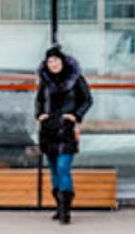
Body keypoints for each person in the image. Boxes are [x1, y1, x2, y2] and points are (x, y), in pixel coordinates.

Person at [34, 46, 94, 223]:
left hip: (66, 128)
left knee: (63, 167)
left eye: (56, 60)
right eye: (50, 61)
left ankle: (66, 209)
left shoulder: (75, 79)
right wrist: (40, 115)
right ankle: (59, 207)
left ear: (63, 61)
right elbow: (38, 100)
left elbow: (87, 100)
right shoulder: (44, 81)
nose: (53, 64)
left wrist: (75, 115)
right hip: (48, 129)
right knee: (53, 170)